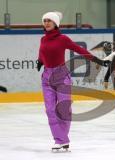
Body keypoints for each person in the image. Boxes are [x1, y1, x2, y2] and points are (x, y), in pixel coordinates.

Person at [37, 11, 108, 151]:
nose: (46, 23)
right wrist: (39, 61)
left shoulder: (63, 39)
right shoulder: (43, 39)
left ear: (56, 23)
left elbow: (80, 50)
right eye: (44, 20)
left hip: (61, 76)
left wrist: (98, 60)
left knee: (63, 110)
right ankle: (61, 140)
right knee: (50, 110)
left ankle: (62, 139)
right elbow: (41, 52)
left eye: (49, 20)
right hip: (46, 77)